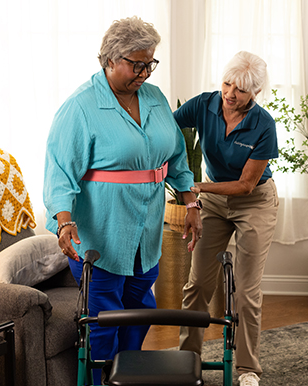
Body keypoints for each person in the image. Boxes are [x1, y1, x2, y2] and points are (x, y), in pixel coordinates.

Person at [43, 16, 202, 382]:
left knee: (140, 313)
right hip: (101, 237)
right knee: (102, 324)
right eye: (137, 64)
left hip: (145, 236)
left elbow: (177, 157)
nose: (145, 72)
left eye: (150, 63)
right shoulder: (80, 107)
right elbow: (59, 173)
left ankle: (127, 377)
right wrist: (64, 220)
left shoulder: (156, 99)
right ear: (109, 59)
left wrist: (190, 201)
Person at [174, 51, 279, 386]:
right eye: (227, 83)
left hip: (255, 202)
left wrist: (197, 187)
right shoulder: (203, 105)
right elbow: (164, 126)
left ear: (256, 93)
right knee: (198, 284)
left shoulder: (263, 125)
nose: (231, 93)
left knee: (247, 291)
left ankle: (248, 369)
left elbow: (247, 185)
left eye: (242, 89)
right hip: (215, 203)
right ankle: (186, 358)